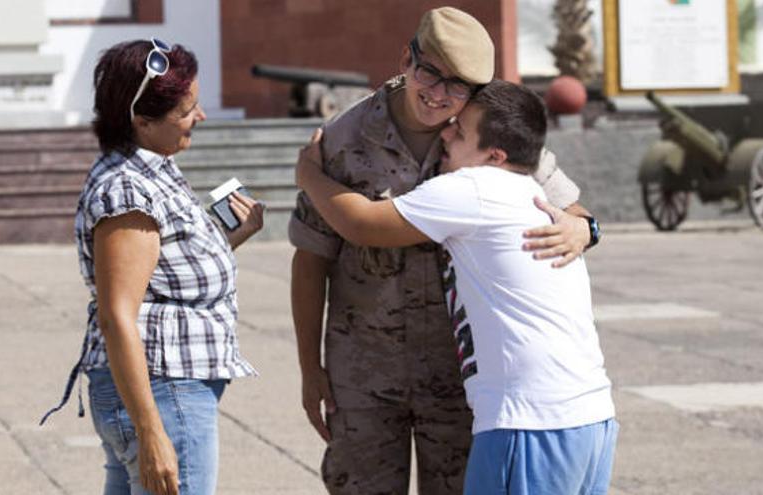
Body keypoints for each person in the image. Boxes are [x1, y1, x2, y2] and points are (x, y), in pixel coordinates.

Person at [288, 6, 601, 494]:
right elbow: (310, 259)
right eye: (429, 72)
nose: (438, 96)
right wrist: (310, 367)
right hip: (365, 375)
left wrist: (584, 230)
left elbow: (570, 207)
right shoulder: (344, 140)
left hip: (461, 383)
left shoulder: (488, 135)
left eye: (458, 86)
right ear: (406, 59)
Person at [40, 38, 262, 495]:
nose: (199, 117)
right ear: (141, 121)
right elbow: (117, 314)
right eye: (187, 110)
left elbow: (163, 275)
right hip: (165, 394)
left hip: (166, 391)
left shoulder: (151, 169)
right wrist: (152, 432)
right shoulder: (128, 194)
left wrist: (232, 239)